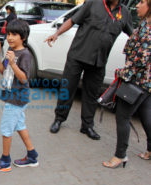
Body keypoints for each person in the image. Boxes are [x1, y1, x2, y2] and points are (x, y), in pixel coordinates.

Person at [45, 0, 133, 140]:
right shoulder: (93, 4)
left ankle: (87, 126)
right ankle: (59, 119)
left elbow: (133, 35)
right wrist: (57, 33)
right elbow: (72, 20)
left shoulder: (125, 13)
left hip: (99, 62)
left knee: (92, 95)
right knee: (67, 89)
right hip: (78, 55)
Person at [0, 19, 39, 172]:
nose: (9, 37)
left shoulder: (25, 54)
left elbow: (23, 79)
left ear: (23, 37)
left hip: (17, 98)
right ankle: (32, 155)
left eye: (14, 34)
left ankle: (5, 161)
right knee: (20, 126)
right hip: (12, 95)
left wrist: (13, 63)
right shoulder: (10, 50)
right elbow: (3, 71)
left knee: (6, 129)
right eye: (8, 34)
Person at [102, 0, 150, 168]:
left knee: (122, 116)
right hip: (147, 83)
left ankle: (120, 155)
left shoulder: (147, 30)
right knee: (146, 113)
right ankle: (150, 150)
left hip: (137, 82)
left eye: (142, 2)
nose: (137, 5)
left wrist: (124, 73)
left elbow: (140, 60)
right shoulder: (145, 24)